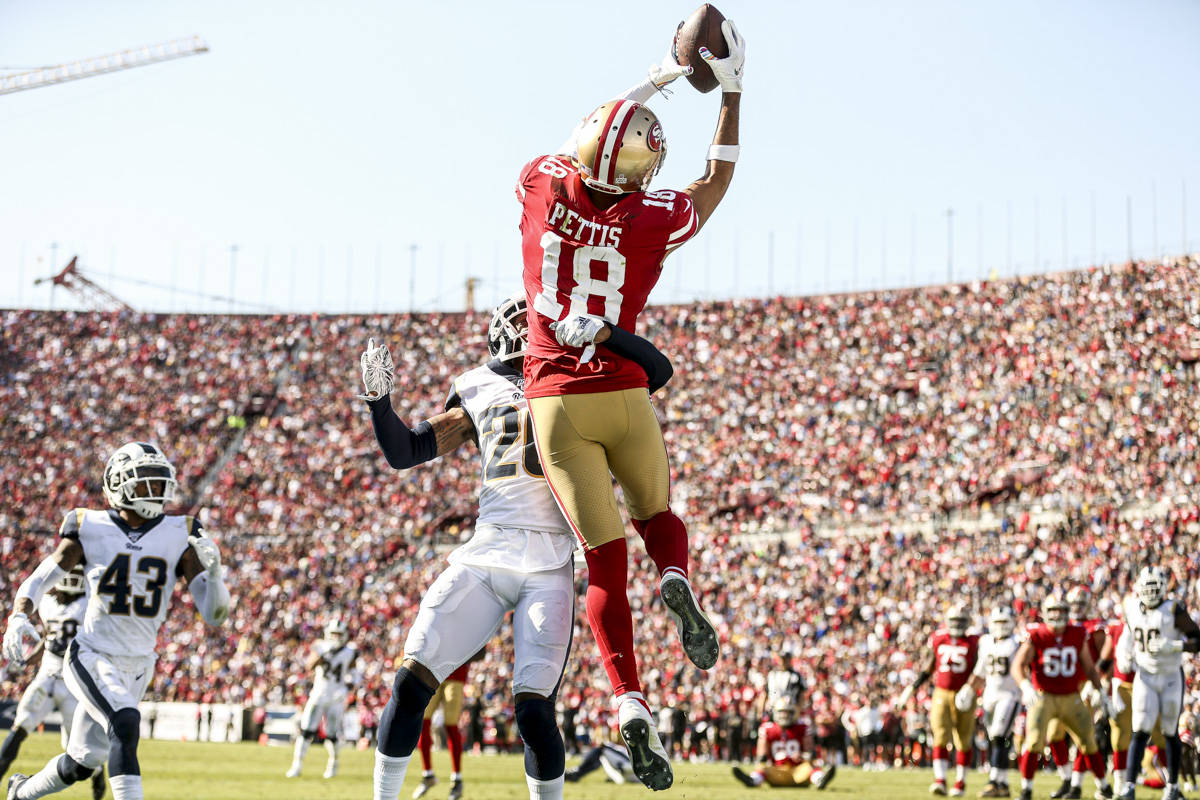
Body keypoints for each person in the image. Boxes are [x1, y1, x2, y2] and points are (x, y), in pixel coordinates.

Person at [513, 18, 745, 792]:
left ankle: (630, 701)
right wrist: (731, 91)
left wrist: (652, 81)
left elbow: (582, 139)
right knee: (656, 516)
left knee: (603, 561)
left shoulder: (541, 184)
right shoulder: (650, 218)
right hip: (623, 388)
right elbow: (715, 180)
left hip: (556, 401)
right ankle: (674, 574)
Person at [359, 296, 675, 800]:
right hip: (487, 551)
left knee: (533, 710)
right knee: (411, 679)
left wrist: (606, 335)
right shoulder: (477, 386)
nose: (529, 330)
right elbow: (406, 450)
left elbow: (656, 370)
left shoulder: (577, 371)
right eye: (522, 323)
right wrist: (379, 404)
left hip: (549, 562)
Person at [2, 441, 230, 800]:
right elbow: (44, 576)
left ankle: (20, 792)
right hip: (92, 654)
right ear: (119, 484)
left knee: (82, 762)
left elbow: (215, 615)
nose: (156, 489)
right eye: (146, 481)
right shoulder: (90, 525)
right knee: (125, 723)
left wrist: (215, 577)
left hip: (139, 663)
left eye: (160, 481)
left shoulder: (181, 531)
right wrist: (18, 613)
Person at [0, 566, 106, 800]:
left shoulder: (87, 604)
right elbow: (49, 637)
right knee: (21, 725)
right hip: (47, 676)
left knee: (78, 749)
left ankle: (98, 776)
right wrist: (31, 659)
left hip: (74, 683)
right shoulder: (48, 604)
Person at [1011, 594, 1112, 800]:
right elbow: (1017, 665)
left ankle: (1103, 786)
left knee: (1088, 740)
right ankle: (1026, 789)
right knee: (1034, 741)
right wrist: (1025, 686)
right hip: (1044, 696)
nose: (1057, 615)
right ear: (1045, 613)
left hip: (1071, 696)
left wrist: (1100, 690)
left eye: (1061, 610)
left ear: (1067, 612)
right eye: (1053, 610)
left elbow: (1089, 667)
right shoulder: (1037, 634)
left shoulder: (1077, 633)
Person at [1113, 567, 1200, 800]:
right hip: (1145, 676)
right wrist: (1123, 655)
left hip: (1171, 676)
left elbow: (1197, 639)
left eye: (1154, 587)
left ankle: (1172, 786)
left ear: (1163, 588)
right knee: (1140, 728)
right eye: (1147, 587)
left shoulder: (1173, 608)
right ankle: (1129, 786)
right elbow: (1126, 637)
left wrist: (1175, 646)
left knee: (1170, 730)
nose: (1151, 592)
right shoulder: (1133, 608)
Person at [895, 604, 979, 796]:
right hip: (941, 693)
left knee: (963, 738)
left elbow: (978, 669)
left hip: (965, 692)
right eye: (954, 620)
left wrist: (972, 689)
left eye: (960, 621)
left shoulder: (973, 642)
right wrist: (911, 689)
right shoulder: (939, 639)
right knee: (940, 735)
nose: (957, 624)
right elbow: (929, 667)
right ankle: (940, 780)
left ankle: (960, 782)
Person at [957, 606, 1022, 798]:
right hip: (990, 695)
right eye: (998, 622)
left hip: (1010, 695)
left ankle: (994, 781)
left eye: (1004, 622)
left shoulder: (1017, 642)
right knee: (994, 738)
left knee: (999, 735)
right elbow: (980, 671)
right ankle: (1003, 783)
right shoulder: (985, 642)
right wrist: (968, 689)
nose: (1001, 626)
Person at [286, 616, 360, 779]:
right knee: (306, 730)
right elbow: (309, 666)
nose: (336, 637)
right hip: (319, 693)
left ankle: (333, 764)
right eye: (333, 633)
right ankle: (297, 765)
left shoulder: (349, 652)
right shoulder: (320, 647)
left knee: (332, 733)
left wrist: (347, 688)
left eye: (338, 634)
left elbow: (354, 675)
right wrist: (323, 654)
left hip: (336, 696)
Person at [413, 652, 481, 800]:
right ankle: (428, 774)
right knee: (423, 721)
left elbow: (481, 651)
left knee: (451, 725)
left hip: (454, 674)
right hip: (433, 672)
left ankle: (457, 780)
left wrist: (462, 654)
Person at [731, 698, 836, 790]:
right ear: (776, 713)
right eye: (782, 712)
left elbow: (811, 755)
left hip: (798, 773)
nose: (785, 716)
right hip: (777, 772)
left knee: (810, 766)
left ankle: (819, 780)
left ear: (794, 714)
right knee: (762, 767)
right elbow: (761, 758)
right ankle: (753, 780)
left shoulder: (802, 728)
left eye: (788, 713)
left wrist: (802, 756)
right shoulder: (767, 729)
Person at [565, 740, 637, 785]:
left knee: (601, 749)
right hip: (628, 771)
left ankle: (577, 772)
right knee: (601, 756)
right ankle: (577, 773)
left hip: (628, 769)